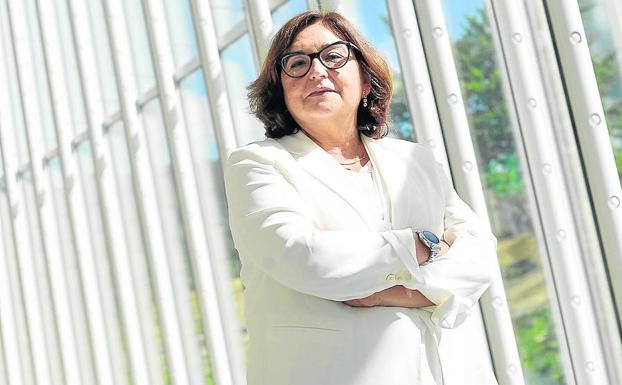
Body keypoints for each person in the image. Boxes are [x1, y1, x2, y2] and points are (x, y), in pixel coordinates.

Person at [224, 10, 498, 385]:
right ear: (281, 92)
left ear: (366, 79)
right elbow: (304, 255)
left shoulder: (415, 160)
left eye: (333, 56)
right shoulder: (258, 164)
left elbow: (478, 251)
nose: (316, 72)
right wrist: (422, 245)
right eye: (297, 64)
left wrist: (402, 293)